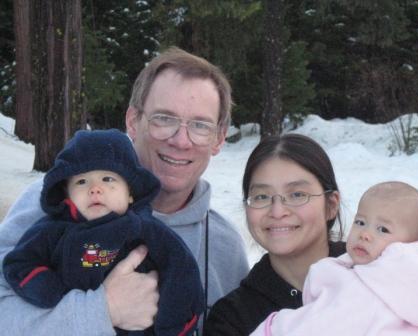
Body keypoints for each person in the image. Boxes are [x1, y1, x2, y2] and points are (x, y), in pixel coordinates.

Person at [0, 47, 249, 335]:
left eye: (200, 125)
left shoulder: (225, 248)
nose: (181, 141)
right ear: (133, 121)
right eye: (164, 119)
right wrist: (101, 311)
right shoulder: (61, 202)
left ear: (219, 138)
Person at [3, 129, 204, 336]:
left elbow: (181, 270)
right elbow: (19, 264)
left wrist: (174, 326)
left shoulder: (146, 230)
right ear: (68, 195)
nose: (95, 189)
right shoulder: (51, 231)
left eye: (108, 179)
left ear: (130, 195)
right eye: (82, 182)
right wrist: (48, 290)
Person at [251, 181, 418, 335]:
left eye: (383, 229)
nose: (365, 234)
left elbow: (325, 325)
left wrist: (274, 329)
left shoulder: (369, 291)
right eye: (360, 222)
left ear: (411, 246)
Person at [204, 133, 345, 335]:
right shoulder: (232, 319)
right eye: (261, 197)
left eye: (297, 195)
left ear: (331, 205)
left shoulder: (376, 274)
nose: (278, 212)